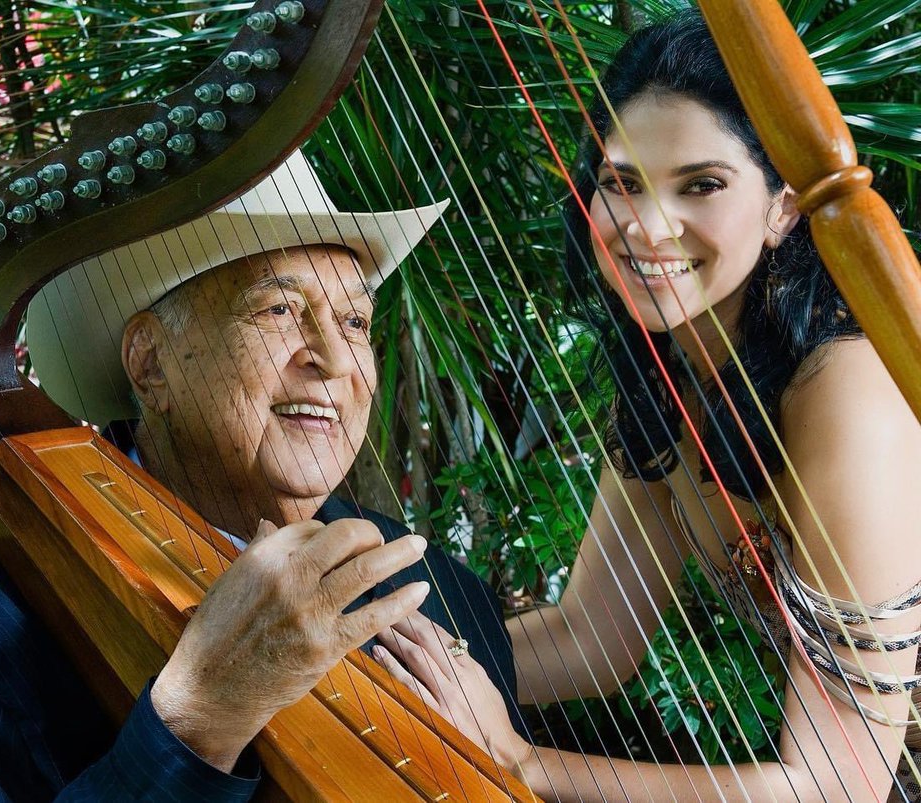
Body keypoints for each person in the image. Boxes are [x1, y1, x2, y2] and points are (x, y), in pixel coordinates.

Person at [370, 13, 921, 802]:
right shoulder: (679, 368)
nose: (646, 226)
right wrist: (384, 656)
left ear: (784, 207)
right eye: (623, 182)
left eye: (701, 184)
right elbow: (591, 637)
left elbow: (840, 782)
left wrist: (524, 762)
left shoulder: (847, 389)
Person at [0, 151, 524, 800]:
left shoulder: (442, 592)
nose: (333, 358)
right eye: (278, 310)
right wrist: (198, 716)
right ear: (150, 364)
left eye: (354, 321)